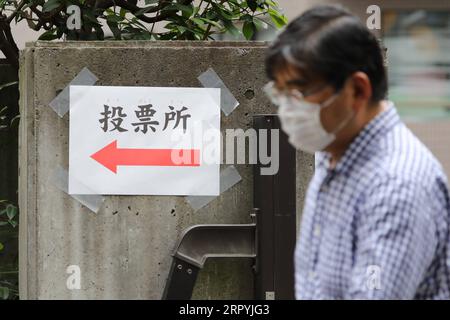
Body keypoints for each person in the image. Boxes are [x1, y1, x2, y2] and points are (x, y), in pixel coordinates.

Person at [264, 4, 450, 299]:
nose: (288, 108)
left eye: (300, 92)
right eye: (281, 94)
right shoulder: (333, 152)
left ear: (358, 91)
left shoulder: (397, 185)